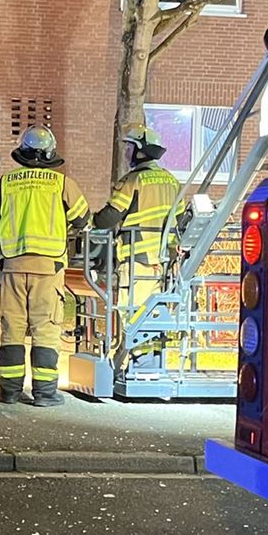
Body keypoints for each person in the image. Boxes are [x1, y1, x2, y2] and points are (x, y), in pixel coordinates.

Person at [0, 126, 88, 407]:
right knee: (46, 329)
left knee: (12, 329)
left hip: (12, 267)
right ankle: (45, 394)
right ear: (51, 153)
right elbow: (82, 219)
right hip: (49, 269)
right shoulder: (62, 184)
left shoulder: (6, 182)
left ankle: (11, 392)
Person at [91, 124, 188, 370]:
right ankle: (150, 366)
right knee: (155, 314)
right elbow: (180, 221)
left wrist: (93, 221)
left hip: (137, 260)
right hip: (163, 264)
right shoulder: (172, 181)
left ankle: (137, 367)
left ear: (141, 151)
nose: (127, 153)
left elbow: (108, 218)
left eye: (130, 148)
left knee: (131, 312)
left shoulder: (132, 181)